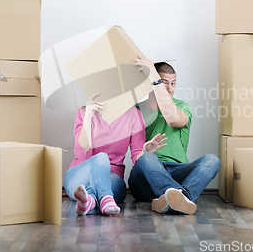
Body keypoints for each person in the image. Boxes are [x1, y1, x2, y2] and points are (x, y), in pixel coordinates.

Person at [128, 58, 220, 215]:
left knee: (212, 160)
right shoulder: (136, 110)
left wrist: (156, 81)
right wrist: (146, 151)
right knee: (148, 158)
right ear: (152, 82)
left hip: (177, 171)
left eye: (173, 83)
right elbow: (136, 156)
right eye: (164, 83)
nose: (170, 89)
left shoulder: (182, 107)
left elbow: (173, 119)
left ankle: (171, 199)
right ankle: (180, 196)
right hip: (145, 177)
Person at [64, 93, 167, 216]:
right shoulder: (84, 112)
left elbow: (136, 156)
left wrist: (145, 152)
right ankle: (106, 198)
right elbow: (82, 154)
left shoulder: (134, 114)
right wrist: (88, 116)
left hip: (111, 177)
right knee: (102, 157)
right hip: (80, 174)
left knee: (118, 189)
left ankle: (88, 202)